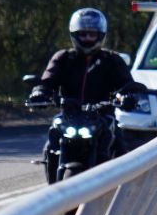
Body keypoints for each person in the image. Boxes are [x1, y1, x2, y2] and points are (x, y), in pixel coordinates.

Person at [30, 8, 143, 163]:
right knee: (51, 143)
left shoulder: (111, 60)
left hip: (102, 117)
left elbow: (126, 84)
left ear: (100, 35)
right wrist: (39, 92)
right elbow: (47, 81)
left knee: (122, 152)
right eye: (83, 34)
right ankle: (52, 175)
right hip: (69, 116)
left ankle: (124, 185)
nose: (88, 38)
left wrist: (129, 96)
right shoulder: (63, 58)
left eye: (92, 34)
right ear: (75, 35)